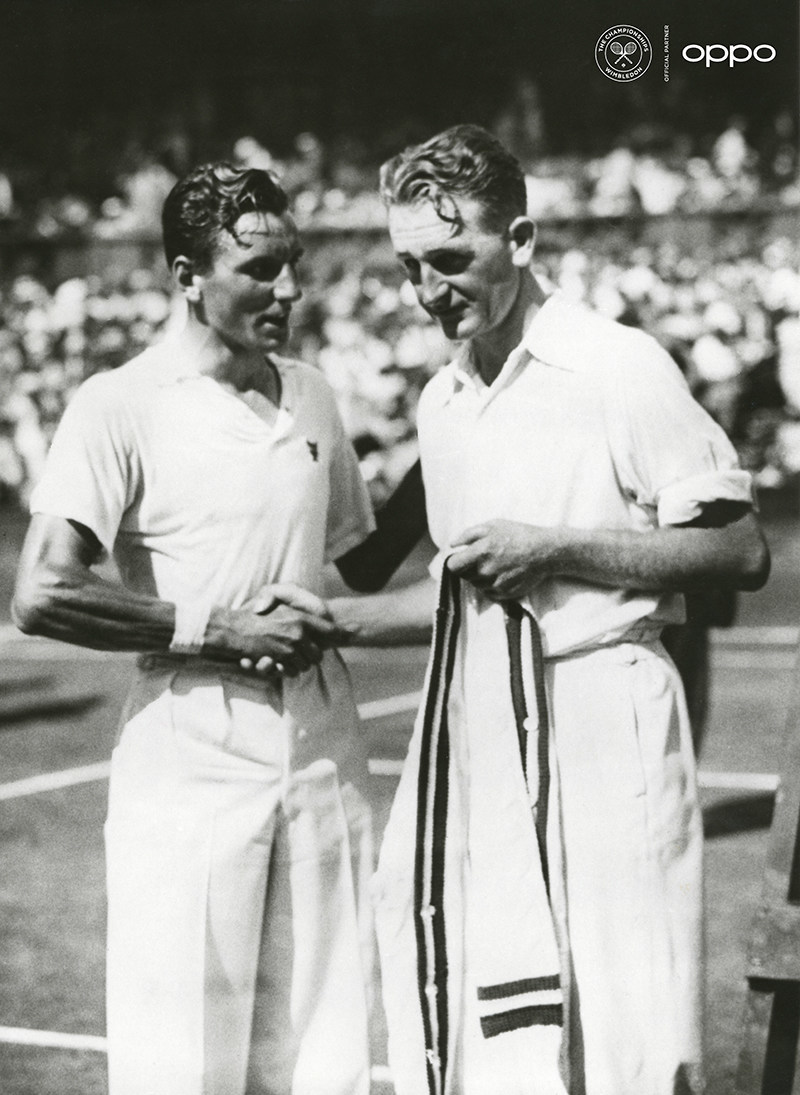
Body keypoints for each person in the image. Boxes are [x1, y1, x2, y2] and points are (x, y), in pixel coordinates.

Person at [325, 125, 770, 1095]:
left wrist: (556, 546)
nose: (428, 288)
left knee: (627, 1029)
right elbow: (461, 599)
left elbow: (736, 550)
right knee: (506, 1033)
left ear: (519, 241)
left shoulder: (615, 365)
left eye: (451, 258)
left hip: (606, 713)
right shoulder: (442, 401)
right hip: (485, 726)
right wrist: (322, 622)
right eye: (409, 267)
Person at [11, 161, 425, 1095]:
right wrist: (219, 624)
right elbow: (41, 592)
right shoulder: (119, 404)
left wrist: (446, 446)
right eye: (258, 269)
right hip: (189, 743)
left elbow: (355, 560)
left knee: (325, 1051)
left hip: (323, 740)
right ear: (187, 274)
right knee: (182, 1062)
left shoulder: (312, 394)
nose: (288, 289)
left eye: (293, 264)